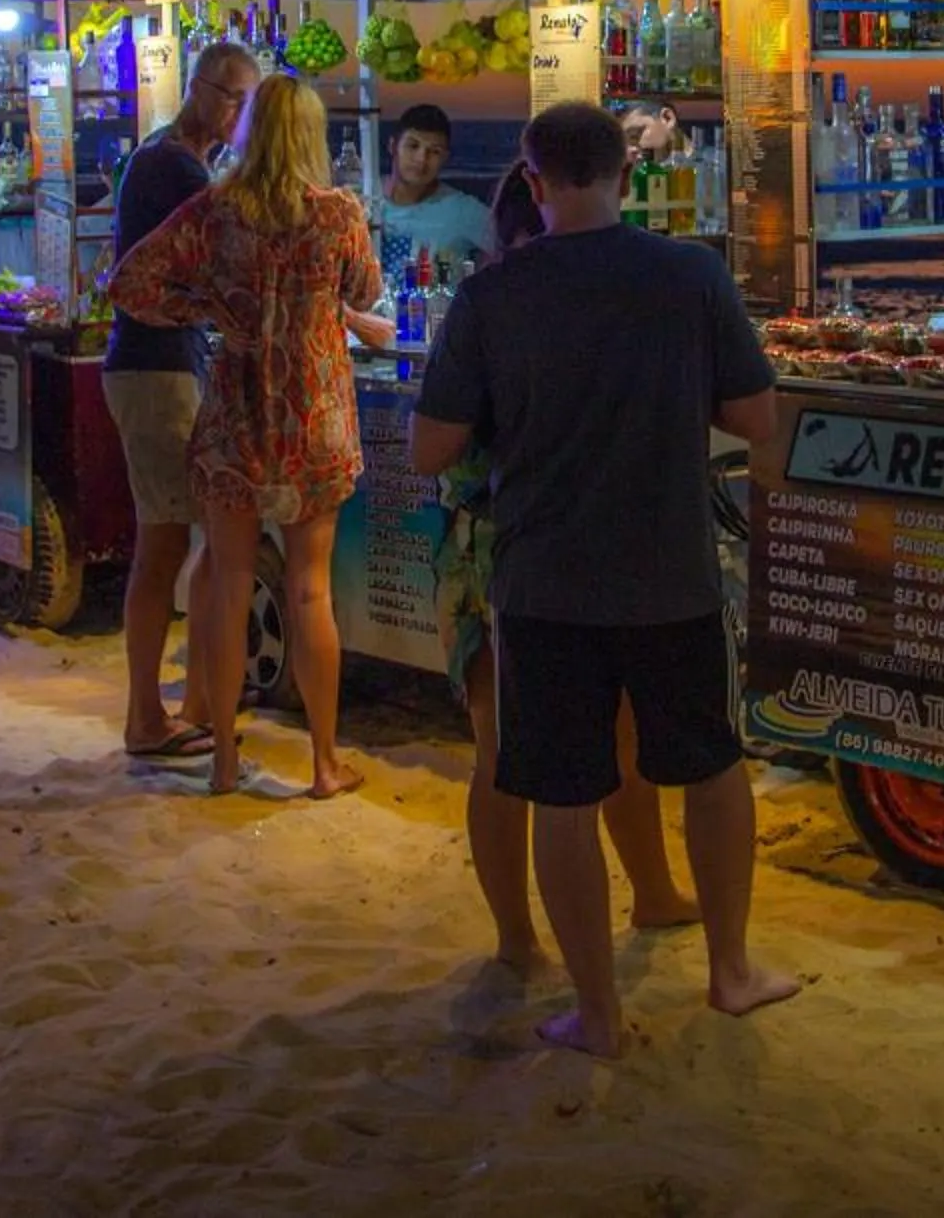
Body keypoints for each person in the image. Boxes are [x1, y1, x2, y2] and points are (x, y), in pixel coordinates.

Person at [413, 101, 797, 1057]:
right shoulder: (690, 276)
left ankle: (598, 1012)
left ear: (533, 181)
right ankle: (731, 972)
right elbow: (760, 421)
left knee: (563, 796)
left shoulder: (493, 295)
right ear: (624, 175)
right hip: (671, 574)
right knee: (710, 771)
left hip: (543, 584)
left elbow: (429, 449)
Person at [431, 170, 698, 973]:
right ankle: (519, 932)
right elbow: (439, 447)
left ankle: (646, 893)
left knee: (600, 735)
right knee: (510, 749)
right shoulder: (498, 308)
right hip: (499, 552)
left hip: (542, 546)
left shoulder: (510, 305)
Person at [110, 73, 391, 797]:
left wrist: (205, 307)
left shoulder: (215, 210)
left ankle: (227, 761)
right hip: (314, 415)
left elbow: (130, 283)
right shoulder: (336, 213)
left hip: (235, 414)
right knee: (309, 592)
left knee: (230, 583)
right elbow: (365, 292)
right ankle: (326, 763)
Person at [103, 40, 262, 764]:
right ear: (197, 89)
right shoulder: (173, 165)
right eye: (229, 96)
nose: (236, 112)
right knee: (165, 542)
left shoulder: (171, 160)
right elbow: (212, 259)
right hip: (154, 367)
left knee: (186, 539)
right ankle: (147, 715)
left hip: (163, 364)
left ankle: (191, 700)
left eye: (246, 101)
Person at [367, 102, 496, 279]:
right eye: (413, 146)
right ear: (392, 146)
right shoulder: (362, 197)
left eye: (434, 152)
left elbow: (518, 251)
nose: (421, 159)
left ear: (445, 158)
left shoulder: (462, 211)